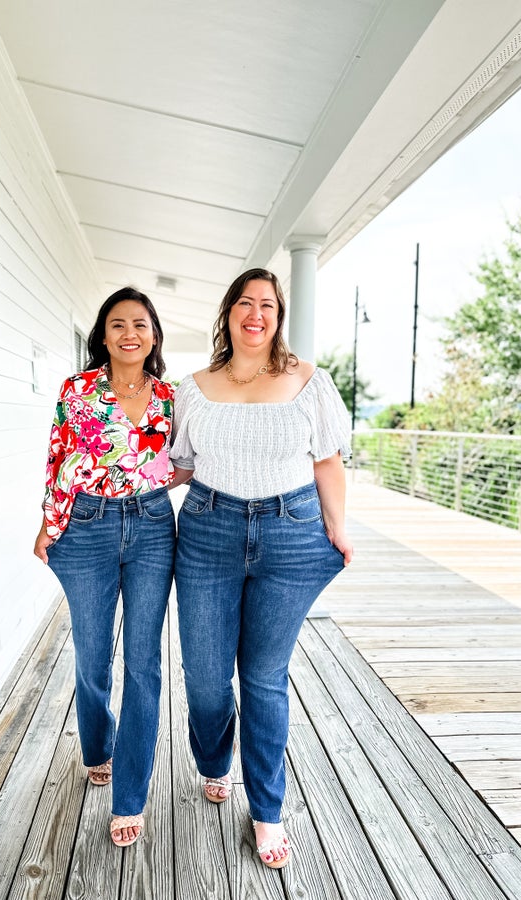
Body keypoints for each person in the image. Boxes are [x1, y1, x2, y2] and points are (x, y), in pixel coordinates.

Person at [170, 268, 352, 869]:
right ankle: (215, 761)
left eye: (267, 305)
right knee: (204, 677)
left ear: (278, 315)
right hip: (208, 532)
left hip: (291, 532)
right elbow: (179, 465)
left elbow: (327, 462)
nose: (255, 313)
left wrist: (337, 527)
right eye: (245, 303)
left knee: (265, 677)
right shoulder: (191, 388)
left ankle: (267, 810)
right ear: (227, 313)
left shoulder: (309, 382)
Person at [33, 287, 176, 848]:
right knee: (94, 655)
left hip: (152, 527)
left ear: (154, 335)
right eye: (117, 325)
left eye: (140, 324)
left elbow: (185, 460)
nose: (129, 334)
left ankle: (130, 796)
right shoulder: (78, 390)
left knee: (145, 664)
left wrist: (149, 478)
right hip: (87, 526)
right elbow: (58, 460)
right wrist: (51, 521)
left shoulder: (171, 397)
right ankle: (97, 747)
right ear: (103, 335)